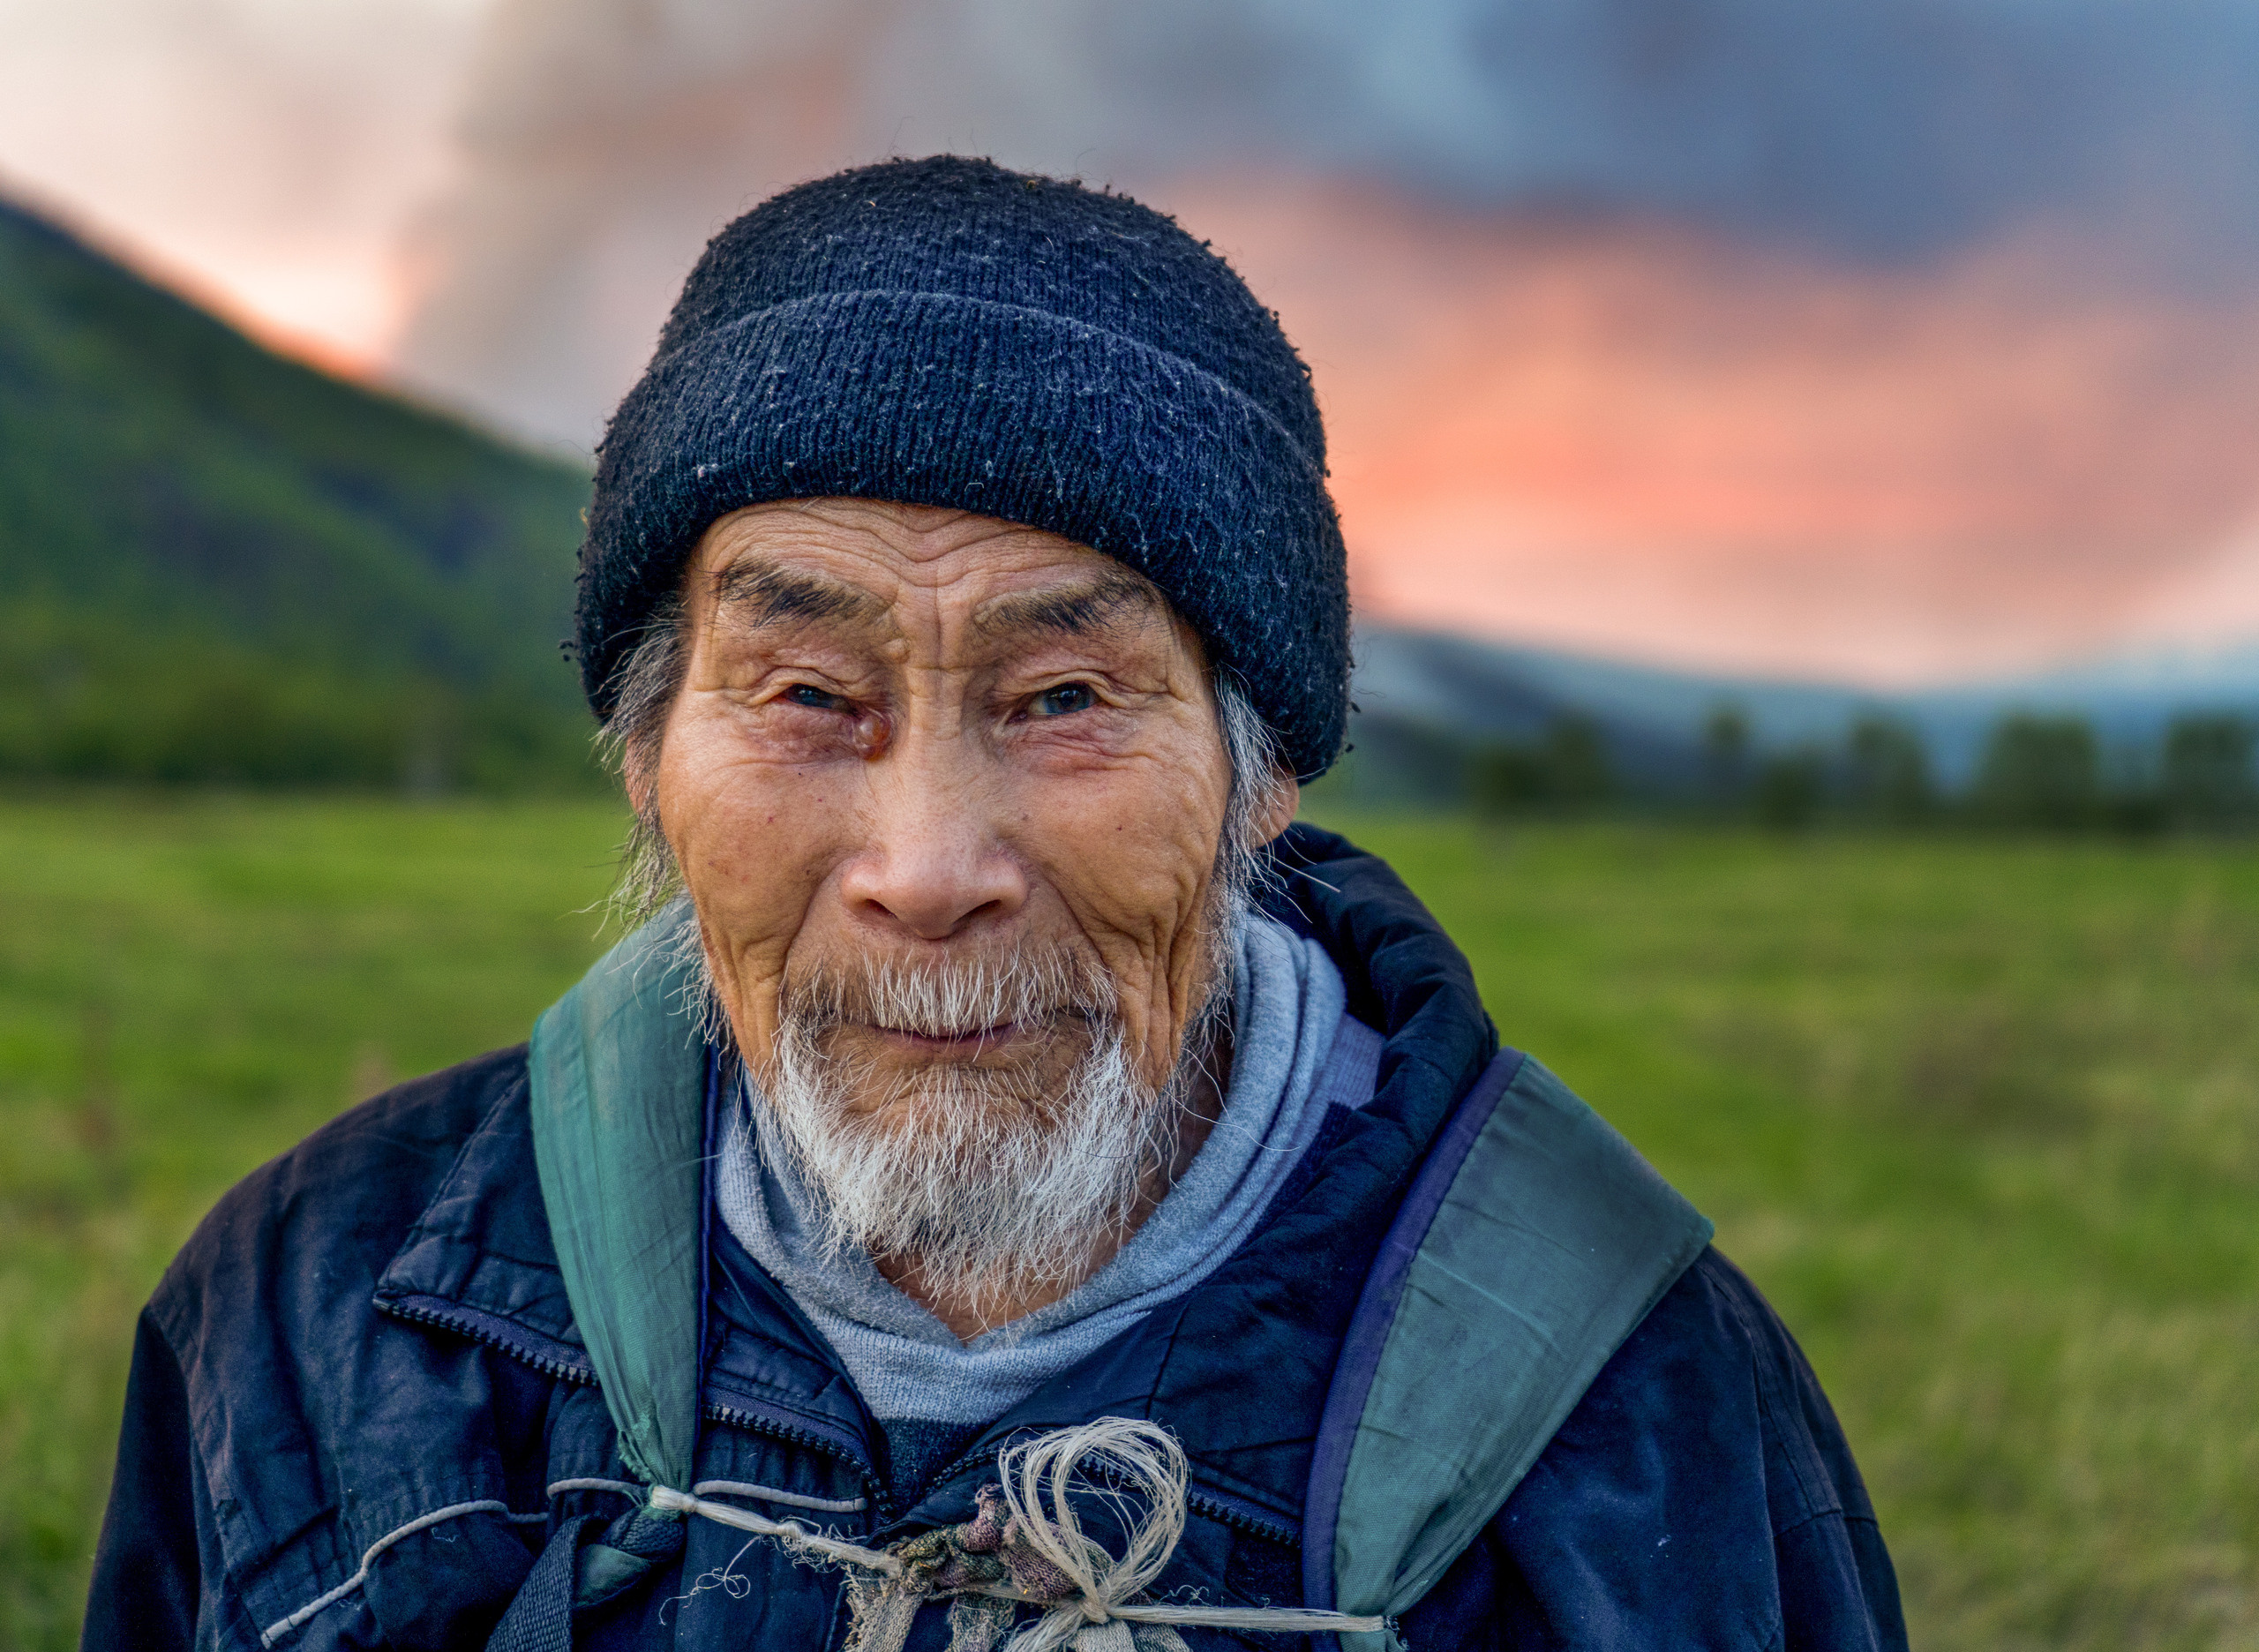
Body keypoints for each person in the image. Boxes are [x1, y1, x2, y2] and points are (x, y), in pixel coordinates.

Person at [84, 156, 1905, 1652]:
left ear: (1260, 776)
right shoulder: (315, 1316)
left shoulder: (1644, 1420)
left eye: (1062, 703)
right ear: (648, 756)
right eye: (805, 697)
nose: (927, 867)